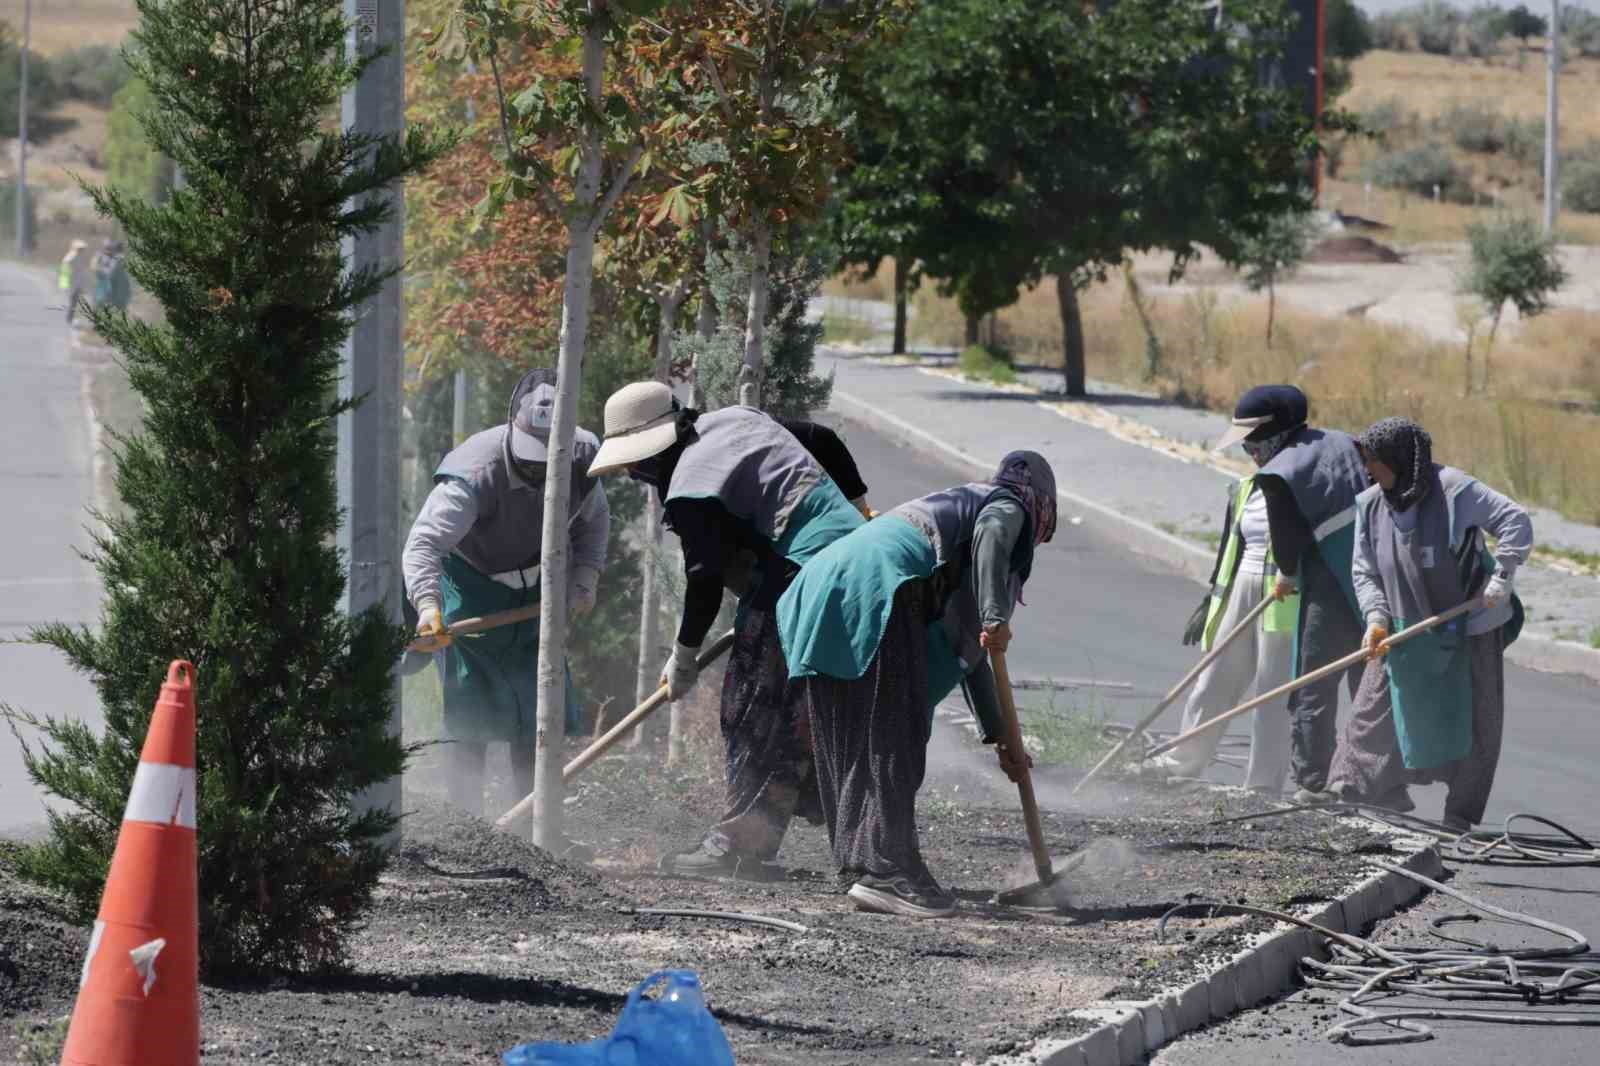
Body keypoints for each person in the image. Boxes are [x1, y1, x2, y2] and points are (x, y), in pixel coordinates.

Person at [586, 382, 875, 876]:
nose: (636, 475)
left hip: (800, 572)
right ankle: (827, 825)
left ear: (654, 452)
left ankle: (737, 848)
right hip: (849, 560)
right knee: (802, 708)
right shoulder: (736, 420)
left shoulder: (691, 487)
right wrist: (859, 507)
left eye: (636, 467)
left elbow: (704, 579)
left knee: (750, 708)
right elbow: (822, 438)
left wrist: (682, 657)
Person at [775, 452, 1053, 918]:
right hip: (878, 583)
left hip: (820, 585)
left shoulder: (958, 506)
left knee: (860, 736)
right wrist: (995, 615)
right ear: (1043, 505)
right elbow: (993, 538)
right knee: (893, 734)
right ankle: (887, 873)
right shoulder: (1009, 504)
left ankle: (863, 867)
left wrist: (1001, 734)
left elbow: (969, 655)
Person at [402, 369, 610, 821]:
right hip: (472, 588)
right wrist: (428, 607)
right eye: (532, 459)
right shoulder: (474, 473)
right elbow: (424, 544)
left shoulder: (584, 459)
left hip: (537, 593)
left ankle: (535, 825)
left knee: (536, 707)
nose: (540, 470)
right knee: (469, 709)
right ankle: (467, 826)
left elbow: (595, 524)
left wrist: (583, 581)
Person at [1327, 417, 1531, 831]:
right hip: (1403, 622)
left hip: (1471, 619)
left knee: (1477, 715)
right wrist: (1375, 618)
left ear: (1400, 459)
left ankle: (1460, 812)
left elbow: (1515, 520)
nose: (1368, 470)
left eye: (1374, 462)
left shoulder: (1455, 490)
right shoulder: (1369, 504)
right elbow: (1364, 571)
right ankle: (1348, 788)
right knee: (1373, 707)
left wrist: (1502, 576)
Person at [1211, 385, 1368, 804]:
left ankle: (1314, 783)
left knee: (1311, 683)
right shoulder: (1342, 441)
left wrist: (1287, 575)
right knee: (1368, 683)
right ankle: (1369, 785)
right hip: (1378, 572)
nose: (1247, 449)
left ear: (1273, 432)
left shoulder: (1278, 474)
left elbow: (1286, 544)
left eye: (1251, 440)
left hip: (1333, 579)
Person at [1148, 463, 1299, 793]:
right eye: (1247, 444)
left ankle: (1261, 788)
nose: (1251, 450)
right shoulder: (1244, 487)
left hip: (1285, 595)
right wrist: (1210, 597)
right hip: (1242, 585)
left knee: (1272, 696)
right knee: (1213, 680)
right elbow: (1230, 551)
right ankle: (1181, 765)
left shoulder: (1295, 483)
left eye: (1257, 441)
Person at [58, 240, 88, 326]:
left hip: (76, 283)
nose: (82, 250)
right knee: (72, 301)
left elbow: (80, 272)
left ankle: (70, 318)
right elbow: (65, 272)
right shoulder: (71, 257)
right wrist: (65, 284)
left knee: (74, 302)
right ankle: (70, 319)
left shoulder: (78, 257)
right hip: (72, 284)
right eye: (81, 248)